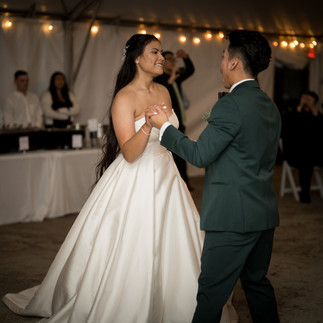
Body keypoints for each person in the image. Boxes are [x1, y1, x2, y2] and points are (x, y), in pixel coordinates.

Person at [2, 34, 236, 323]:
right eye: (155, 52)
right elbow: (129, 153)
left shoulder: (164, 92)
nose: (162, 57)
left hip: (167, 177)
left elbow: (170, 138)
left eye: (162, 52)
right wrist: (148, 126)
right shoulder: (124, 98)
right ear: (137, 58)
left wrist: (188, 141)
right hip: (136, 179)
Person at [149, 29, 281, 323]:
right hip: (264, 212)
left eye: (223, 56)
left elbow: (199, 156)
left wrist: (164, 128)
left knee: (211, 292)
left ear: (234, 63)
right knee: (257, 283)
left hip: (232, 217)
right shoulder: (269, 105)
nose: (221, 62)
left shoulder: (230, 105)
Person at [154, 49, 194, 189]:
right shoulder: (159, 78)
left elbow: (190, 70)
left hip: (178, 120)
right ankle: (173, 183)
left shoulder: (176, 75)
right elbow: (160, 97)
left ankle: (184, 181)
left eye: (173, 59)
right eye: (169, 59)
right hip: (165, 121)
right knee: (170, 152)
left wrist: (186, 57)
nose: (172, 62)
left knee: (181, 151)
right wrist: (170, 80)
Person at [281, 90, 323, 203]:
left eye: (310, 100)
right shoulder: (292, 114)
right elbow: (286, 127)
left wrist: (314, 109)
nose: (307, 102)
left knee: (309, 155)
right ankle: (305, 192)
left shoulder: (316, 116)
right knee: (306, 159)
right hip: (295, 153)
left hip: (313, 153)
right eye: (305, 98)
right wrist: (300, 106)